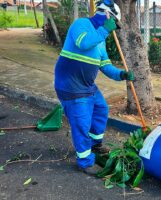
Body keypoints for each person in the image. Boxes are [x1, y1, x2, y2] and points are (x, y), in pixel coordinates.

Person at [54, 1, 134, 175]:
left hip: (87, 85)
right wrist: (105, 29)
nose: (114, 28)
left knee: (100, 110)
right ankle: (85, 161)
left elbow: (105, 66)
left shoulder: (101, 40)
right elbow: (83, 43)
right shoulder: (81, 25)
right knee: (81, 122)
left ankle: (95, 146)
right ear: (107, 15)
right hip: (71, 85)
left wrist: (122, 75)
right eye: (115, 23)